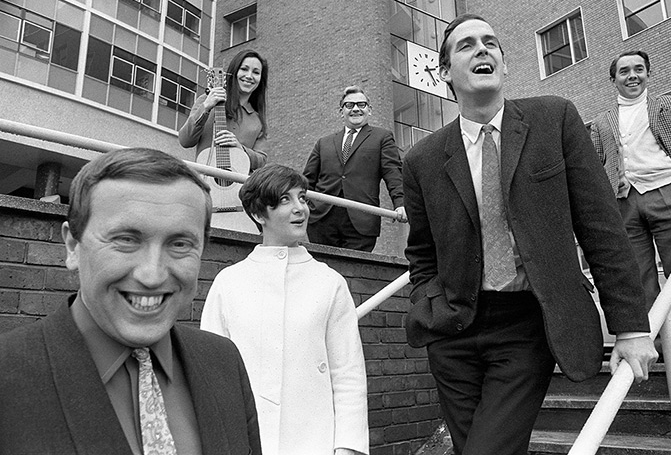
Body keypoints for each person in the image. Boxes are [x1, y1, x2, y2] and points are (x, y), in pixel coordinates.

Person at [402, 14, 657, 455]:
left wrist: (631, 327)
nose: (483, 50)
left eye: (490, 42)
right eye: (466, 45)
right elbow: (422, 252)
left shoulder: (553, 118)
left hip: (527, 322)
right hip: (453, 330)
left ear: (503, 62)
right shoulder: (422, 158)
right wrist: (430, 303)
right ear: (445, 71)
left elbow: (601, 228)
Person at [0, 148, 261, 454]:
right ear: (72, 246)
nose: (152, 275)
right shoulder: (9, 375)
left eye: (179, 244)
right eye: (126, 240)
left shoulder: (224, 362)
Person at [200, 164, 369, 455]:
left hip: (316, 442)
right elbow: (211, 374)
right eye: (284, 200)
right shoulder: (229, 282)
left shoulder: (330, 282)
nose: (299, 208)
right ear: (257, 214)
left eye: (302, 198)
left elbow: (348, 372)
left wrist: (348, 448)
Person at [590, 50, 671, 367]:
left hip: (669, 193)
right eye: (625, 71)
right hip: (625, 201)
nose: (632, 75)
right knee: (637, 277)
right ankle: (649, 342)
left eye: (639, 69)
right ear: (613, 79)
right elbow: (594, 163)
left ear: (647, 73)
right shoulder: (602, 121)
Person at [303, 85, 407, 252]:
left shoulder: (382, 138)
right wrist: (306, 207)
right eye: (349, 105)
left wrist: (400, 203)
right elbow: (307, 180)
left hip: (361, 220)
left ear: (369, 110)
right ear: (341, 111)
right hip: (321, 219)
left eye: (361, 104)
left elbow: (393, 172)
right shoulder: (324, 142)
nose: (356, 109)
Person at [179, 49, 269, 171]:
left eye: (256, 72)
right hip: (205, 181)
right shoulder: (206, 100)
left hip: (237, 187)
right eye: (244, 69)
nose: (249, 76)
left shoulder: (258, 121)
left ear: (260, 79)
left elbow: (261, 161)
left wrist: (240, 148)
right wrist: (206, 107)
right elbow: (185, 140)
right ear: (234, 72)